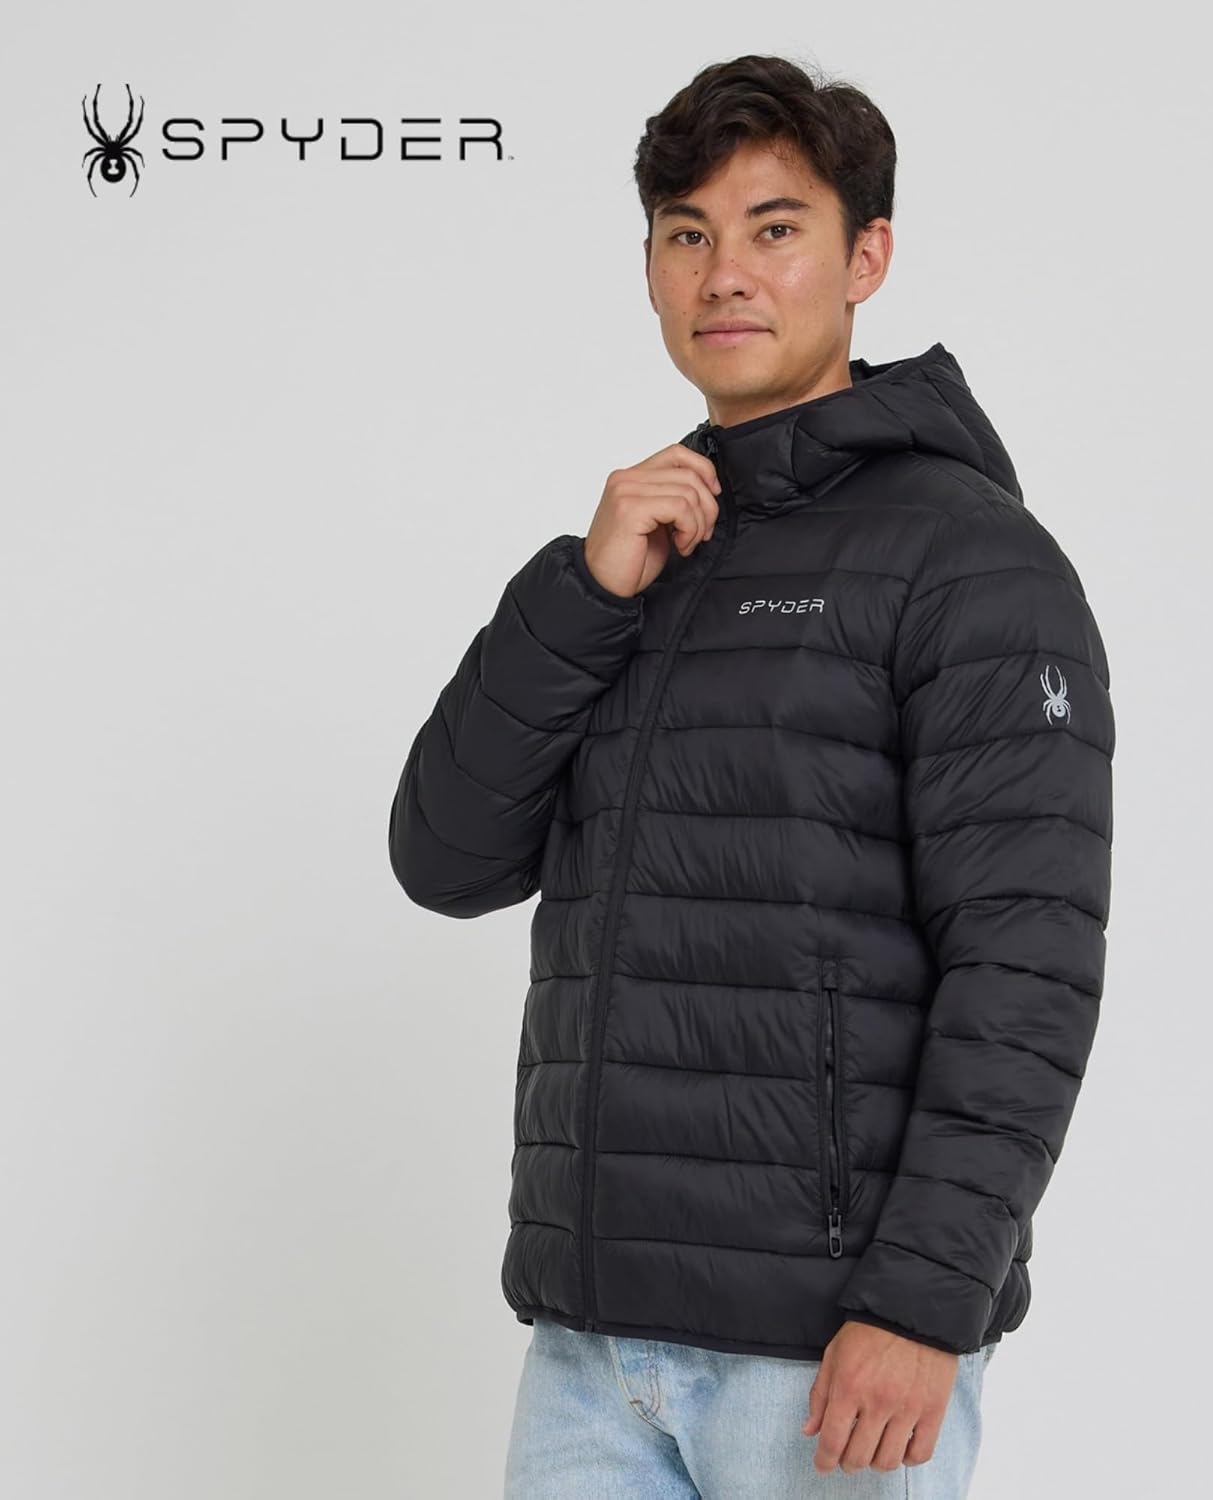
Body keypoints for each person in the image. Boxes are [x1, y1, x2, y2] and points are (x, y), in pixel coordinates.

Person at [388, 53, 1114, 1499]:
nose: (724, 273)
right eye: (688, 233)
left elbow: (1026, 961)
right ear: (652, 269)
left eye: (775, 229)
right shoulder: (638, 553)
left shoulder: (970, 558)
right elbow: (447, 859)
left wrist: (926, 1302)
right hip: (591, 1348)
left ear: (866, 258)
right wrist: (581, 594)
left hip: (828, 1355)